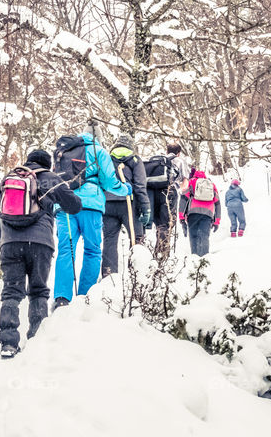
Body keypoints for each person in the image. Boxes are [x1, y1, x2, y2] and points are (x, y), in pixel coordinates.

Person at [0, 149, 82, 358]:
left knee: (11, 292)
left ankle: (8, 343)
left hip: (10, 242)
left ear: (28, 161)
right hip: (40, 243)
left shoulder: (10, 177)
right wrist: (52, 202)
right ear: (47, 164)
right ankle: (36, 342)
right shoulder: (50, 178)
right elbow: (74, 206)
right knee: (38, 291)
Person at [52, 123, 131, 308]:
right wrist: (125, 189)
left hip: (65, 205)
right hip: (91, 206)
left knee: (66, 250)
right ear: (99, 137)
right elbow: (110, 181)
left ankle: (62, 298)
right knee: (92, 251)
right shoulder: (98, 150)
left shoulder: (64, 151)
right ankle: (85, 297)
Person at [102, 133, 151, 277]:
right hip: (129, 204)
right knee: (137, 238)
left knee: (109, 240)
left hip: (108, 204)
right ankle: (137, 275)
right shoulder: (135, 160)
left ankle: (109, 275)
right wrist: (146, 208)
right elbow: (140, 186)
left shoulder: (107, 160)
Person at [146, 142, 191, 260]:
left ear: (166, 151)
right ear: (179, 152)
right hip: (169, 192)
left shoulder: (157, 161)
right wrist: (178, 190)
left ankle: (153, 253)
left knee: (158, 223)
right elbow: (185, 183)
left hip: (152, 192)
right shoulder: (180, 161)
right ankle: (162, 256)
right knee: (166, 224)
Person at [178, 169, 221, 257]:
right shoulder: (211, 184)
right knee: (204, 235)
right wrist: (217, 221)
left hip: (193, 213)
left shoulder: (191, 182)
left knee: (193, 235)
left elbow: (183, 199)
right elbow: (217, 204)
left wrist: (181, 217)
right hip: (208, 214)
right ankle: (204, 258)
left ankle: (194, 256)